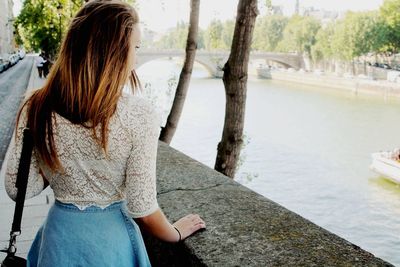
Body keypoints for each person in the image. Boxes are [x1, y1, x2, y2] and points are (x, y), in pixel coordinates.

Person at [3, 1, 205, 266]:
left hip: (58, 240)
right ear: (114, 53)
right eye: (136, 47)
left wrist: (59, 161)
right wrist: (175, 232)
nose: (136, 57)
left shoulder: (36, 105)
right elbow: (142, 208)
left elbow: (19, 189)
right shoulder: (138, 113)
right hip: (110, 245)